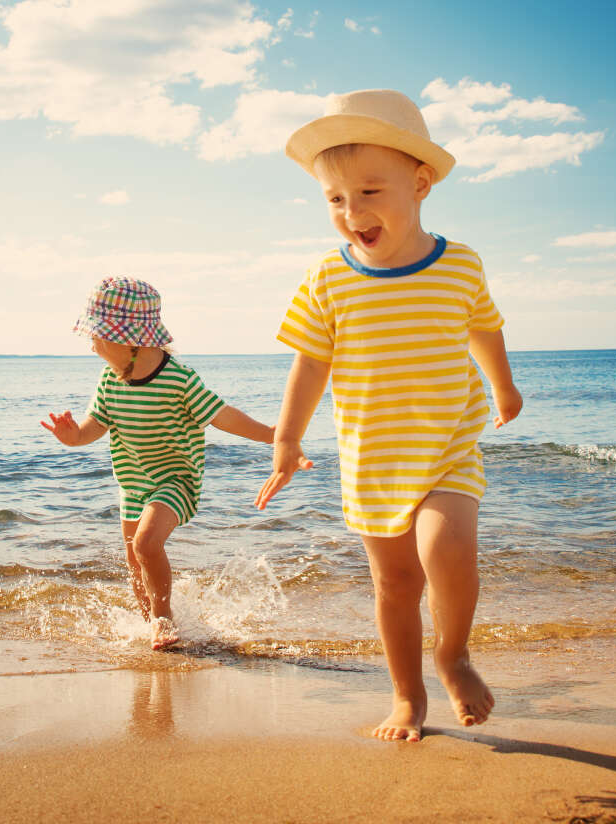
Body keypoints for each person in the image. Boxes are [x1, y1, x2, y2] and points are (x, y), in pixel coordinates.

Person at [255, 89, 523, 741]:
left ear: (420, 183)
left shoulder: (459, 264)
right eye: (336, 200)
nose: (352, 213)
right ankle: (407, 698)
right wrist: (287, 437)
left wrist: (504, 388)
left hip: (447, 450)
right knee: (396, 585)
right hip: (372, 461)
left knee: (448, 548)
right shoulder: (328, 279)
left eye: (370, 192)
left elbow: (484, 329)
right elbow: (311, 364)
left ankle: (452, 654)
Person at [43, 275, 286, 650]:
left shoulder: (178, 380)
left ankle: (163, 620)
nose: (92, 346)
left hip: (175, 480)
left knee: (145, 544)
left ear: (124, 339)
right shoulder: (110, 380)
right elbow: (94, 427)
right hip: (133, 482)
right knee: (134, 559)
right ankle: (152, 627)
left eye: (95, 337)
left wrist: (273, 434)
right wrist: (72, 436)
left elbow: (223, 416)